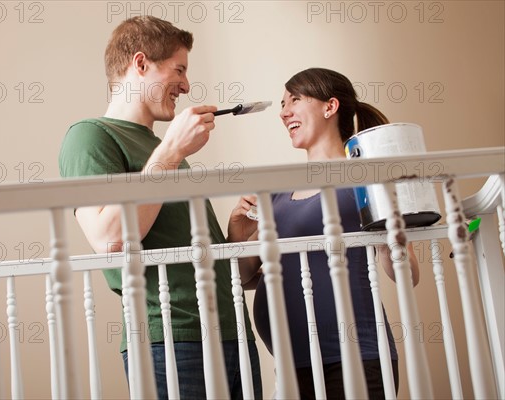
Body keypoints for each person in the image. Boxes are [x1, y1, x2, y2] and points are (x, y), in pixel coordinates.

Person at [58, 15, 262, 399]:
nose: (185, 85)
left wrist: (233, 236)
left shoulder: (166, 154)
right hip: (169, 338)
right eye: (178, 69)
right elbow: (111, 241)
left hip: (233, 333)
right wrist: (170, 151)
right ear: (140, 64)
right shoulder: (90, 137)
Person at [227, 67, 420, 399]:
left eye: (295, 100)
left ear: (330, 107)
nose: (283, 112)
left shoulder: (363, 177)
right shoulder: (276, 194)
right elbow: (245, 277)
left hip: (355, 357)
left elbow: (409, 274)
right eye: (283, 103)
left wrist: (390, 238)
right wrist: (237, 229)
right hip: (292, 364)